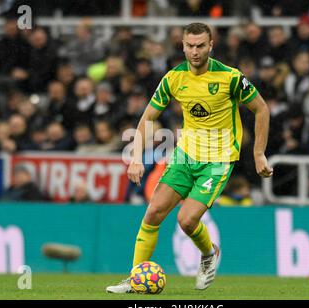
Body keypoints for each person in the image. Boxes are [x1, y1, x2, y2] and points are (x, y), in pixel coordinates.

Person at [106, 23, 272, 293]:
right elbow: (148, 117)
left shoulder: (230, 77)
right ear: (183, 46)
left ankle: (209, 254)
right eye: (190, 46)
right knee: (153, 213)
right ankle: (136, 278)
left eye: (200, 46)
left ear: (211, 46)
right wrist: (136, 157)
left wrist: (258, 153)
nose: (195, 52)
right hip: (185, 156)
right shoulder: (174, 78)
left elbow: (261, 109)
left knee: (186, 220)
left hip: (218, 161)